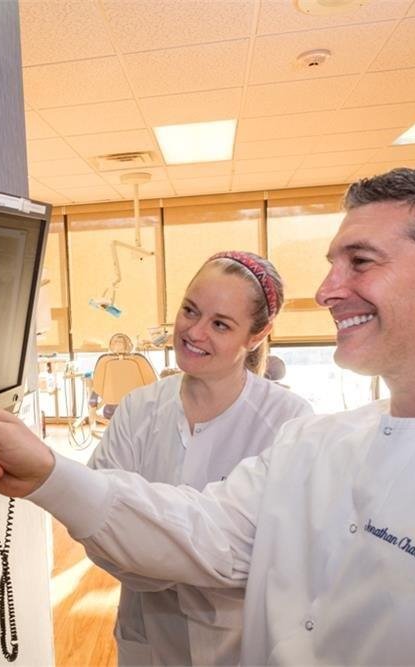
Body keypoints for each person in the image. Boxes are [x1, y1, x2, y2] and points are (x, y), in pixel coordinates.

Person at [0, 168, 415, 665]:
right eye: (332, 261)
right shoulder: (316, 444)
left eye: (360, 261)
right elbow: (204, 530)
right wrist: (45, 471)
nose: (326, 289)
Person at [86, 251, 312, 665]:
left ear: (257, 336)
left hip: (240, 645)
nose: (194, 332)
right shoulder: (138, 409)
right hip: (147, 637)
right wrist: (195, 560)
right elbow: (100, 531)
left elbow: (275, 554)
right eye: (190, 310)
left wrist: (148, 545)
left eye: (221, 324)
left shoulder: (289, 422)